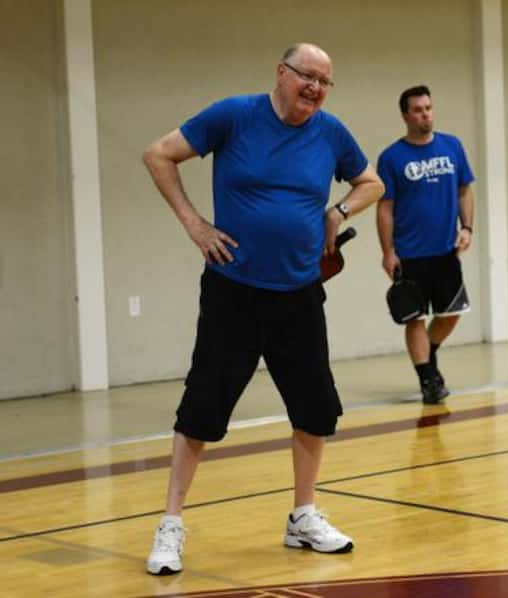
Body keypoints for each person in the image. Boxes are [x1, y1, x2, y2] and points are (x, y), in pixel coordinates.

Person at [141, 42, 383, 575]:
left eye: (325, 81)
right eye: (307, 77)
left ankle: (303, 515)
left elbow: (372, 181)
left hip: (299, 294)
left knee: (315, 408)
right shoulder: (233, 116)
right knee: (202, 408)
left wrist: (338, 211)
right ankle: (171, 523)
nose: (316, 88)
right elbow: (158, 153)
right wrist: (194, 224)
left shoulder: (331, 132)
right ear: (281, 72)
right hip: (233, 291)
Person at [376, 85, 475, 404]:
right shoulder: (391, 157)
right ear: (405, 115)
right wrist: (388, 251)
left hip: (446, 251)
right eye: (418, 110)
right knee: (414, 317)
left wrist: (468, 228)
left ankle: (428, 353)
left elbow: (464, 190)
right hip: (409, 255)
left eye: (429, 108)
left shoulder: (452, 146)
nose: (425, 114)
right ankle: (428, 380)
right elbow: (385, 208)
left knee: (451, 314)